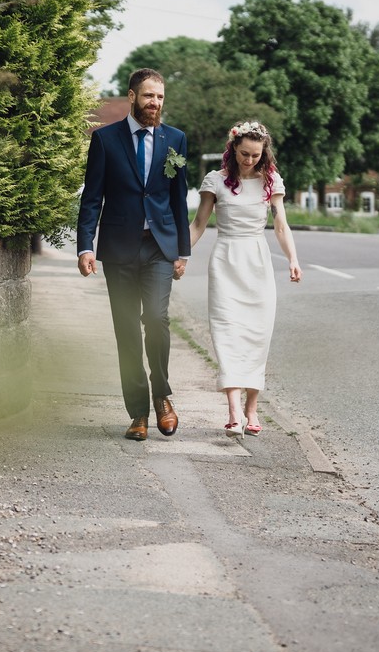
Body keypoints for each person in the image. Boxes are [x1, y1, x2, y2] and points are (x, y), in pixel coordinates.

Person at [76, 69, 191, 441]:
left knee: (156, 319)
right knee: (126, 329)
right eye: (148, 97)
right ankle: (138, 413)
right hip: (120, 247)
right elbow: (92, 198)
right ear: (132, 96)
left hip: (159, 246)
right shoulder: (106, 140)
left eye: (159, 97)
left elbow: (178, 199)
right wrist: (85, 246)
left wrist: (182, 251)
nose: (154, 103)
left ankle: (162, 396)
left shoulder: (176, 139)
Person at [188, 120, 302, 440]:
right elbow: (198, 223)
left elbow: (280, 225)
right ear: (233, 149)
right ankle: (234, 411)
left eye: (255, 155)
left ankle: (253, 409)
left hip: (257, 262)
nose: (249, 160)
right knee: (227, 333)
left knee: (257, 334)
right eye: (244, 154)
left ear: (263, 154)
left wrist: (293, 259)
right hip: (226, 260)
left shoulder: (271, 180)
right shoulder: (217, 181)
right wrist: (179, 255)